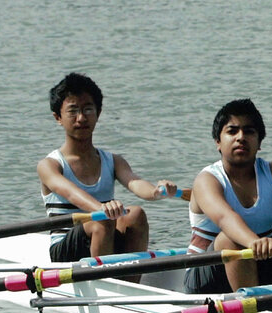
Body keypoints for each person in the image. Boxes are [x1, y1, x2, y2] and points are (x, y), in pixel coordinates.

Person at [38, 72, 178, 268]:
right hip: (65, 250)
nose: (81, 118)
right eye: (72, 111)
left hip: (104, 232)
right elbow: (70, 192)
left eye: (88, 109)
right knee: (101, 220)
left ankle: (129, 283)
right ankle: (103, 282)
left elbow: (134, 182)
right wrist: (100, 208)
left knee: (135, 214)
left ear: (98, 113)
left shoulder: (113, 161)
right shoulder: (50, 165)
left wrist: (157, 191)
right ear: (58, 117)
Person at [184, 99, 272, 313]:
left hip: (260, 263)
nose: (241, 137)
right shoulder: (207, 180)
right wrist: (254, 242)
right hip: (207, 276)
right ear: (218, 141)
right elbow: (226, 218)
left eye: (249, 131)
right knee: (229, 239)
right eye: (232, 131)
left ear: (259, 142)